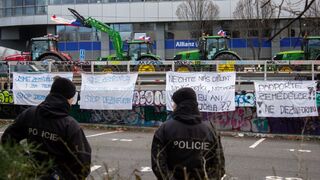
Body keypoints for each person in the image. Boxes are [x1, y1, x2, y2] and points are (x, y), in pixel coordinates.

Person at [1, 76, 91, 180]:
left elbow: (7, 139)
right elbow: (83, 164)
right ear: (69, 99)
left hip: (34, 174)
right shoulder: (70, 126)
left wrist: (25, 161)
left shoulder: (30, 115)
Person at [151, 87, 225, 180]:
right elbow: (219, 166)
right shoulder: (210, 130)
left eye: (174, 103)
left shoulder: (165, 129)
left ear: (179, 105)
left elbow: (158, 164)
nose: (173, 106)